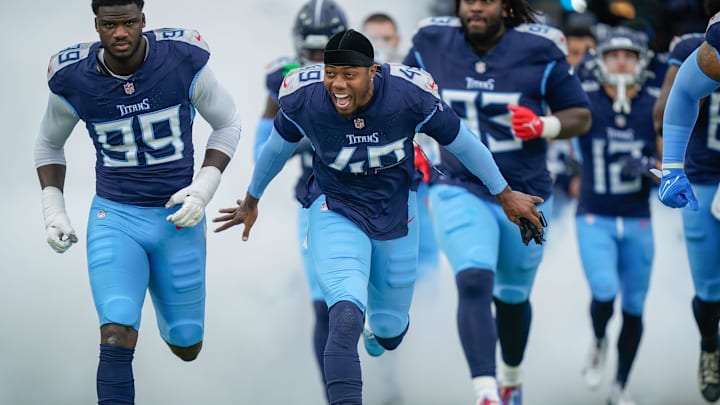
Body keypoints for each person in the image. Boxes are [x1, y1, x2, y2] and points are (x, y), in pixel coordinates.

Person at [214, 29, 545, 405]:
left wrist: (503, 194)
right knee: (343, 313)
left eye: (349, 75)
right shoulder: (304, 96)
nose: (337, 85)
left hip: (395, 211)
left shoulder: (409, 95)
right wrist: (252, 199)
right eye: (330, 73)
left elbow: (464, 143)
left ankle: (381, 327)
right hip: (334, 207)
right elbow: (274, 150)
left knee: (390, 332)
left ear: (372, 71)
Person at [34, 0, 241, 403]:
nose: (121, 33)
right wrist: (52, 209)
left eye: (129, 22)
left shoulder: (182, 59)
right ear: (97, 25)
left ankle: (176, 325)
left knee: (187, 343)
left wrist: (204, 186)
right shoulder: (73, 77)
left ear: (143, 21)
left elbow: (228, 122)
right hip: (116, 215)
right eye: (110, 25)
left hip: (178, 216)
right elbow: (47, 144)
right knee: (116, 328)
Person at [402, 1, 592, 404]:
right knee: (473, 279)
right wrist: (411, 145)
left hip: (527, 190)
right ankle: (486, 392)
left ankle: (511, 377)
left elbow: (580, 115)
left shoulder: (539, 49)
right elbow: (398, 100)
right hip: (459, 185)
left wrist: (545, 124)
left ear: (506, 6)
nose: (474, 6)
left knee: (511, 296)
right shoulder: (431, 42)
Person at [253, 0, 347, 399]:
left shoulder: (365, 74)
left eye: (325, 52)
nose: (316, 61)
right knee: (325, 308)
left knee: (384, 313)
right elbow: (262, 149)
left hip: (379, 202)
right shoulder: (284, 79)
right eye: (310, 52)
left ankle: (396, 384)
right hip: (317, 202)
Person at [574, 27, 658, 405]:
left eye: (629, 55)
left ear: (642, 63)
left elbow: (674, 167)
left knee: (635, 305)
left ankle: (620, 384)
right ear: (601, 61)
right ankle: (598, 339)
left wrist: (650, 167)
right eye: (613, 55)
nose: (621, 61)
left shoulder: (656, 105)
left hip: (639, 218)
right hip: (596, 216)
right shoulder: (586, 99)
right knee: (605, 290)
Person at [654, 0, 720, 401]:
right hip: (708, 171)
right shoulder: (707, 45)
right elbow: (678, 98)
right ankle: (710, 348)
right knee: (710, 285)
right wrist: (673, 165)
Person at [361, 12, 442, 281]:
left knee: (424, 250)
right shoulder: (347, 79)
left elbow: (437, 130)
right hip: (366, 184)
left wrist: (423, 156)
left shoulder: (416, 78)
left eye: (385, 38)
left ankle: (426, 312)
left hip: (413, 180)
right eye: (373, 38)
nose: (380, 44)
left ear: (397, 40)